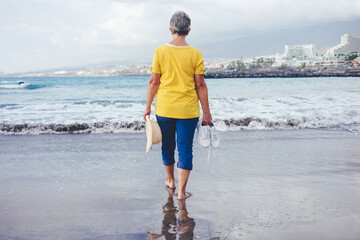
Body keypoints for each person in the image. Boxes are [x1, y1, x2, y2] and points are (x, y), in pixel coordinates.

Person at [143, 11, 212, 200]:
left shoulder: (160, 51)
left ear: (170, 29)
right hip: (188, 111)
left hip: (165, 109)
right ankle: (181, 192)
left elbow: (153, 82)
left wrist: (148, 106)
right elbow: (200, 85)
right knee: (185, 149)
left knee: (167, 146)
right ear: (188, 31)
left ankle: (171, 181)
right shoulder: (196, 53)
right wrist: (206, 112)